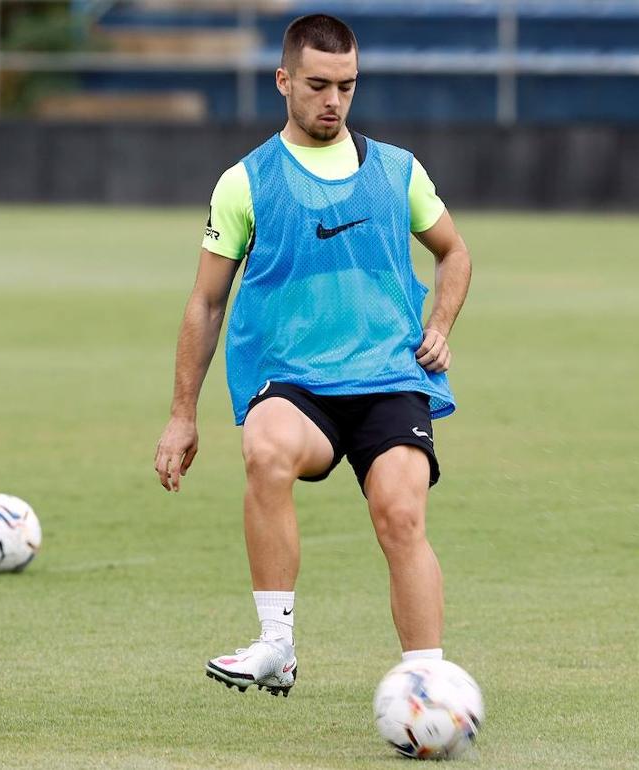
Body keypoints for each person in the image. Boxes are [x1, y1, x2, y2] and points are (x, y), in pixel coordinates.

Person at [153, 13, 472, 697]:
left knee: (401, 513)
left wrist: (441, 322)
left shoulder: (398, 171)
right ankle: (276, 647)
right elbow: (206, 303)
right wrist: (183, 414)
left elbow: (454, 251)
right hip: (296, 384)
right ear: (283, 81)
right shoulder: (245, 182)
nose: (334, 101)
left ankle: (427, 684)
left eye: (347, 86)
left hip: (388, 378)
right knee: (265, 448)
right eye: (319, 85)